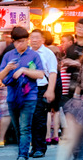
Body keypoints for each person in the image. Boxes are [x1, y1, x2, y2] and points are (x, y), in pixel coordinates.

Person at [0, 27, 45, 160]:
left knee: (25, 127)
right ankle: (22, 149)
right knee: (17, 127)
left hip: (29, 96)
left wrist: (24, 70)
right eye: (17, 42)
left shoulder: (34, 55)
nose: (20, 44)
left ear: (27, 40)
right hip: (12, 96)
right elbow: (1, 77)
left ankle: (22, 155)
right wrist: (8, 68)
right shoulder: (8, 56)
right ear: (13, 42)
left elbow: (40, 74)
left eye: (23, 41)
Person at [29, 29, 58, 158]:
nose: (34, 40)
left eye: (37, 37)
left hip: (41, 88)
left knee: (39, 119)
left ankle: (40, 147)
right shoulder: (27, 52)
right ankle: (34, 147)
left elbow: (52, 72)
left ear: (42, 40)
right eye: (32, 37)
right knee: (30, 119)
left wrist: (50, 89)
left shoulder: (48, 53)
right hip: (27, 90)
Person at [61, 18, 83, 104]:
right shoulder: (70, 48)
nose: (79, 30)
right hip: (72, 85)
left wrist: (75, 63)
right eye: (78, 27)